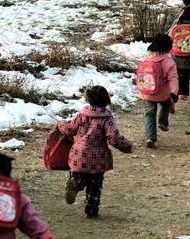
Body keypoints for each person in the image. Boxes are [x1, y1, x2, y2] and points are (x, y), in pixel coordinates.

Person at [55, 86, 133, 218]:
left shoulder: (82, 115)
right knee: (95, 186)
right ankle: (91, 210)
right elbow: (113, 138)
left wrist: (60, 123)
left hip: (78, 156)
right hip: (97, 159)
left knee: (79, 176)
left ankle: (75, 184)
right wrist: (128, 146)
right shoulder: (107, 118)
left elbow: (69, 129)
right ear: (106, 100)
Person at [137, 34, 179, 148]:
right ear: (168, 47)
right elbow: (173, 78)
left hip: (147, 92)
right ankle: (162, 122)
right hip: (162, 93)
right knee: (166, 104)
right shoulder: (168, 61)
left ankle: (150, 137)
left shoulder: (146, 58)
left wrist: (141, 89)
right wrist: (174, 92)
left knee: (149, 113)